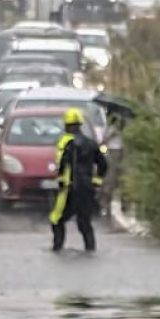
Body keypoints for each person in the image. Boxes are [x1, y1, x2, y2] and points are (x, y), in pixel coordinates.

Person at [49, 107, 108, 252]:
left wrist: (61, 180)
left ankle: (58, 246)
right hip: (87, 187)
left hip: (69, 188)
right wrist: (97, 181)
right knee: (84, 222)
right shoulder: (91, 143)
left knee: (56, 218)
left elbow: (62, 163)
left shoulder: (65, 141)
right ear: (80, 124)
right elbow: (103, 164)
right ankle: (90, 248)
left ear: (66, 125)